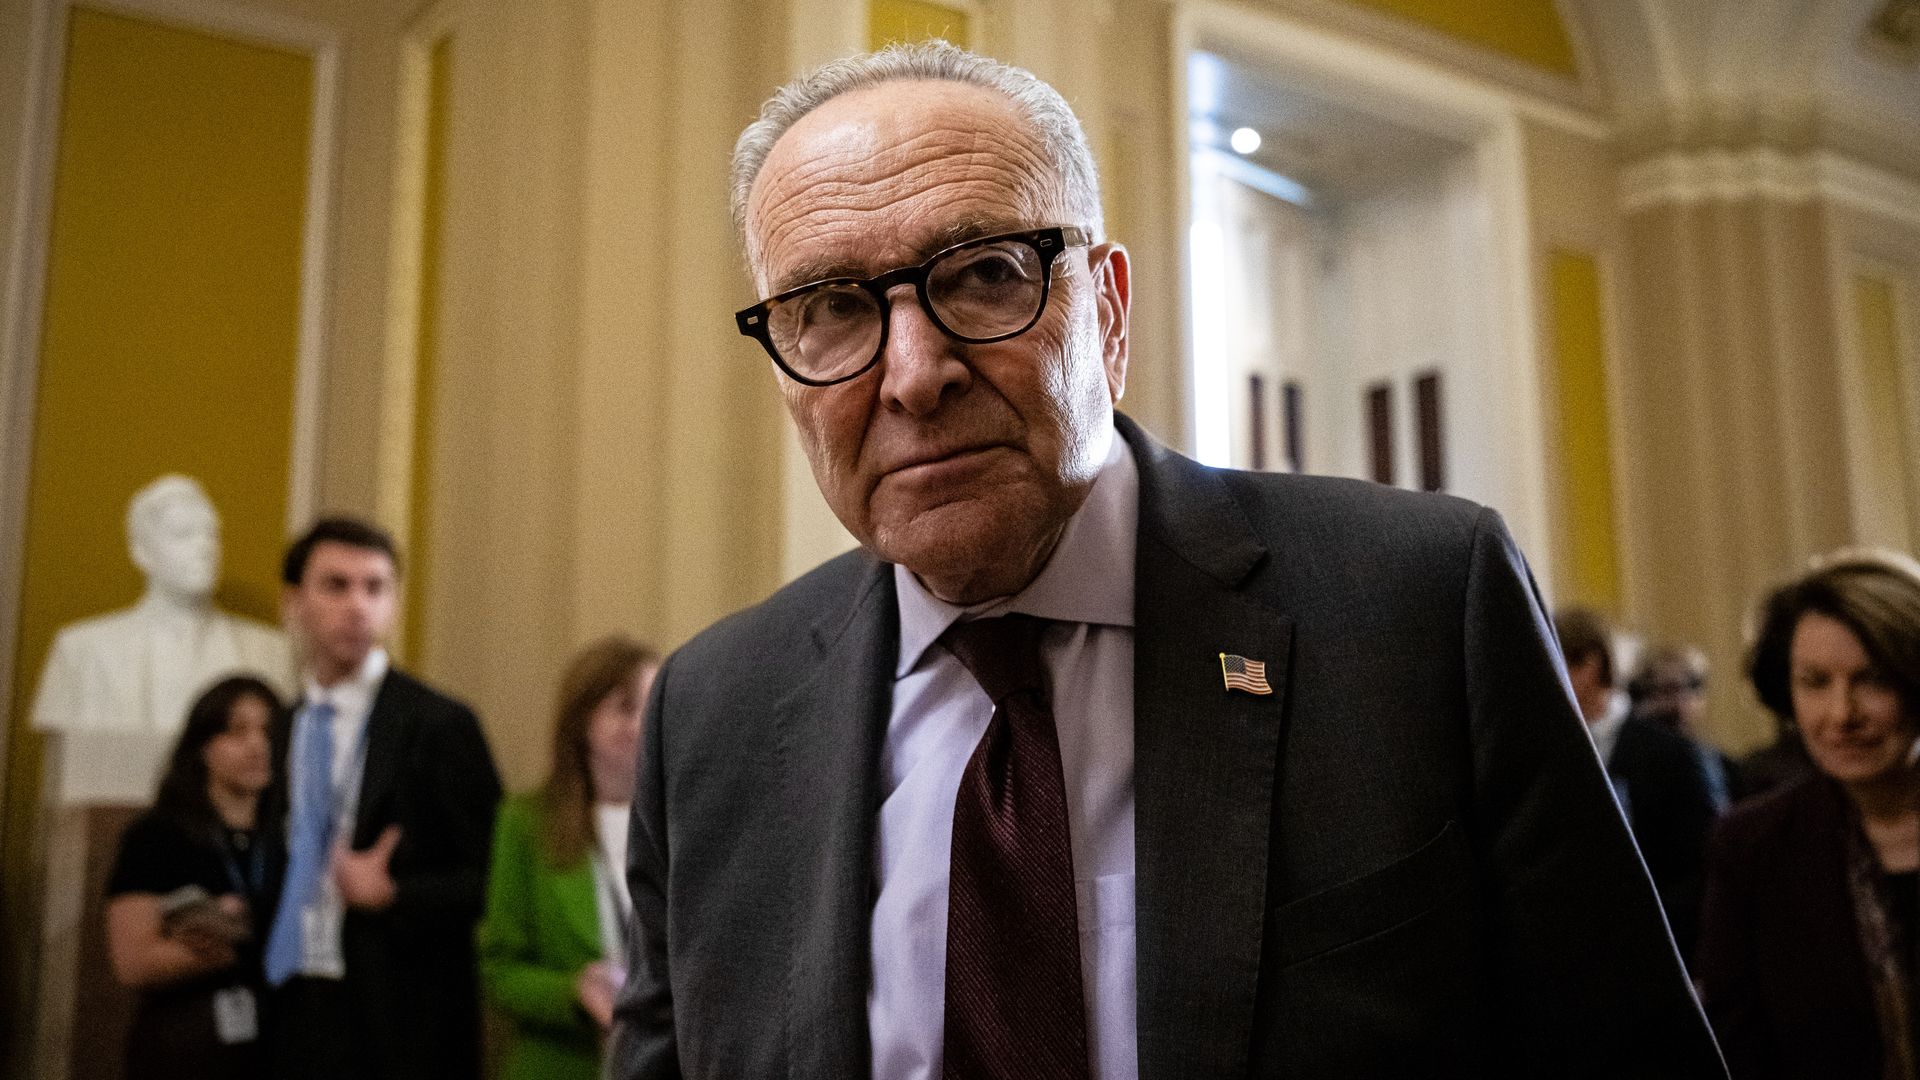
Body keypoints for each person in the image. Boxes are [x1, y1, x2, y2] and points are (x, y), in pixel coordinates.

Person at [608, 41, 1722, 1079]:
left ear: (1111, 313)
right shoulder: (712, 712)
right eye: (831, 308)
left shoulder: (1419, 604)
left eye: (987, 274)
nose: (912, 373)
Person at [263, 517, 503, 1080]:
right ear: (294, 602)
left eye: (376, 588)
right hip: (292, 999)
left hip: (398, 1010)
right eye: (336, 585)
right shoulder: (281, 725)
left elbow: (492, 875)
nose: (358, 605)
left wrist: (394, 894)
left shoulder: (438, 723)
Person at [1696, 549, 1920, 1079]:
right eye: (1815, 683)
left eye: (1873, 680)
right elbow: (1740, 1050)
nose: (1841, 715)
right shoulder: (1753, 846)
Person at [480, 636, 660, 1080]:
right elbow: (499, 969)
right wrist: (576, 992)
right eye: (624, 707)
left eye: (652, 708)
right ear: (582, 719)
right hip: (559, 1062)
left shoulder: (682, 828)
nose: (642, 724)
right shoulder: (526, 823)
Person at [105, 675, 286, 1080]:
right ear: (203, 745)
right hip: (186, 1041)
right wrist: (249, 944)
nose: (258, 745)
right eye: (238, 731)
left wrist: (233, 939)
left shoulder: (292, 839)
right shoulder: (157, 836)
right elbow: (133, 963)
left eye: (269, 732)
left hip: (278, 1043)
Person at [1557, 607, 1724, 958]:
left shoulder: (1670, 753)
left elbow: (1706, 865)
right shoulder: (1547, 753)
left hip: (1663, 952)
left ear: (1590, 665)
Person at [1629, 641, 1738, 805]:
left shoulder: (1721, 763)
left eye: (1692, 686)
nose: (1681, 699)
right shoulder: (1634, 760)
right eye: (1669, 689)